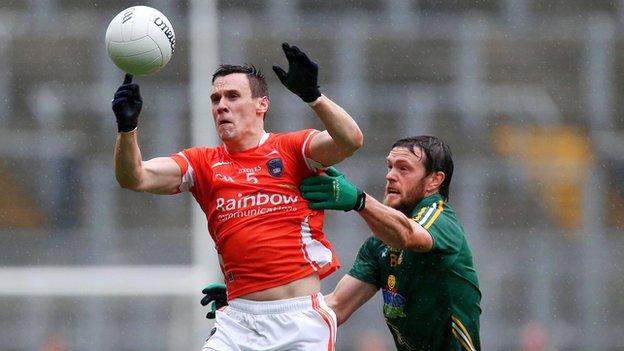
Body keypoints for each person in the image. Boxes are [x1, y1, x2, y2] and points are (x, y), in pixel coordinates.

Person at [112, 42, 363, 351]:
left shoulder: (293, 149)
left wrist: (313, 97)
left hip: (299, 320)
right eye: (215, 99)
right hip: (238, 322)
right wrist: (127, 128)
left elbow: (350, 140)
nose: (221, 105)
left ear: (262, 105)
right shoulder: (202, 163)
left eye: (232, 96)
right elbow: (133, 176)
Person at [298, 135, 482, 351]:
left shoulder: (441, 219)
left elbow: (407, 234)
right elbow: (336, 307)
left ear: (434, 180)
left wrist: (360, 201)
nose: (390, 176)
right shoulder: (378, 245)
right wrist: (263, 320)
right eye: (390, 166)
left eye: (403, 169)